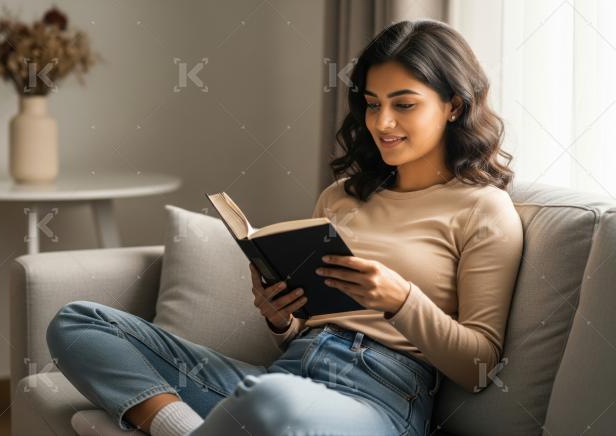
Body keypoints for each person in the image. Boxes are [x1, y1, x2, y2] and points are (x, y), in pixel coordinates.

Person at [46, 18, 524, 436]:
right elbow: (302, 331)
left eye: (404, 105)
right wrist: (280, 317)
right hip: (290, 374)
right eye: (373, 103)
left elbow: (479, 366)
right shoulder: (341, 196)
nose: (382, 122)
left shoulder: (484, 210)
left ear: (455, 106)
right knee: (79, 322)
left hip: (380, 398)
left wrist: (400, 300)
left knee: (268, 400)